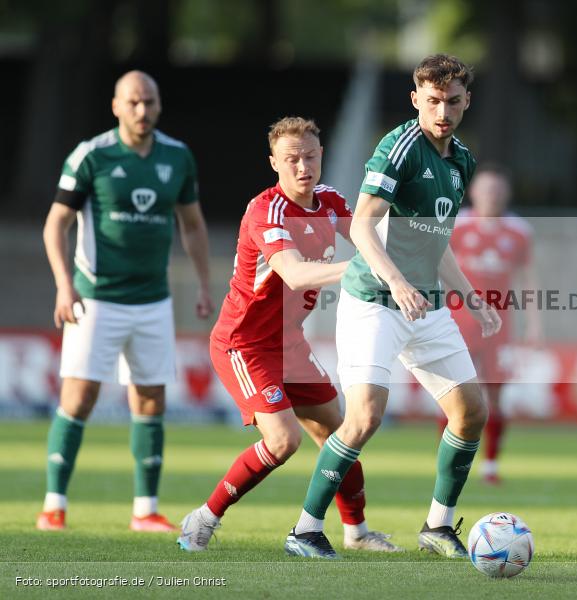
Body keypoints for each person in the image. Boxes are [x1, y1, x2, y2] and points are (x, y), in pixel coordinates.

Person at [286, 54, 501, 559]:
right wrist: (399, 283)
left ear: (466, 100)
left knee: (470, 412)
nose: (442, 111)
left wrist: (472, 297)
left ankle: (437, 526)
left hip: (423, 306)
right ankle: (305, 530)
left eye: (451, 101)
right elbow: (361, 225)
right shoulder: (399, 147)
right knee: (364, 416)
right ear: (415, 100)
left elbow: (435, 240)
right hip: (374, 302)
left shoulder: (461, 160)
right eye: (431, 101)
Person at [177, 116, 400, 553]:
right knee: (283, 441)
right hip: (245, 344)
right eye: (291, 158)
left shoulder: (333, 202)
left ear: (322, 157)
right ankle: (202, 518)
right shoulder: (267, 210)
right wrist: (368, 268)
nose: (302, 166)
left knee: (342, 431)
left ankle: (356, 532)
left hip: (290, 343)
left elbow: (372, 237)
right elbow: (296, 274)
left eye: (310, 156)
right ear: (274, 163)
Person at [39, 71, 212, 532]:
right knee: (79, 397)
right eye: (133, 102)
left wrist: (202, 283)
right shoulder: (91, 155)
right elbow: (56, 223)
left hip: (152, 300)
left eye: (149, 102)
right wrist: (63, 283)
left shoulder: (177, 156)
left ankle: (145, 510)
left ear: (158, 105)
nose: (142, 110)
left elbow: (192, 225)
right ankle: (53, 505)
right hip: (95, 297)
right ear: (116, 106)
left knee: (152, 398)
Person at [443, 164, 540, 484]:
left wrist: (534, 323)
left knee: (496, 395)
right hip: (459, 323)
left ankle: (490, 465)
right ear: (473, 193)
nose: (492, 196)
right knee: (455, 394)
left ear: (506, 195)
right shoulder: (456, 226)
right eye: (486, 190)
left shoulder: (519, 231)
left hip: (499, 327)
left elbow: (528, 278)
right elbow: (438, 269)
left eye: (497, 191)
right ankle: (448, 463)